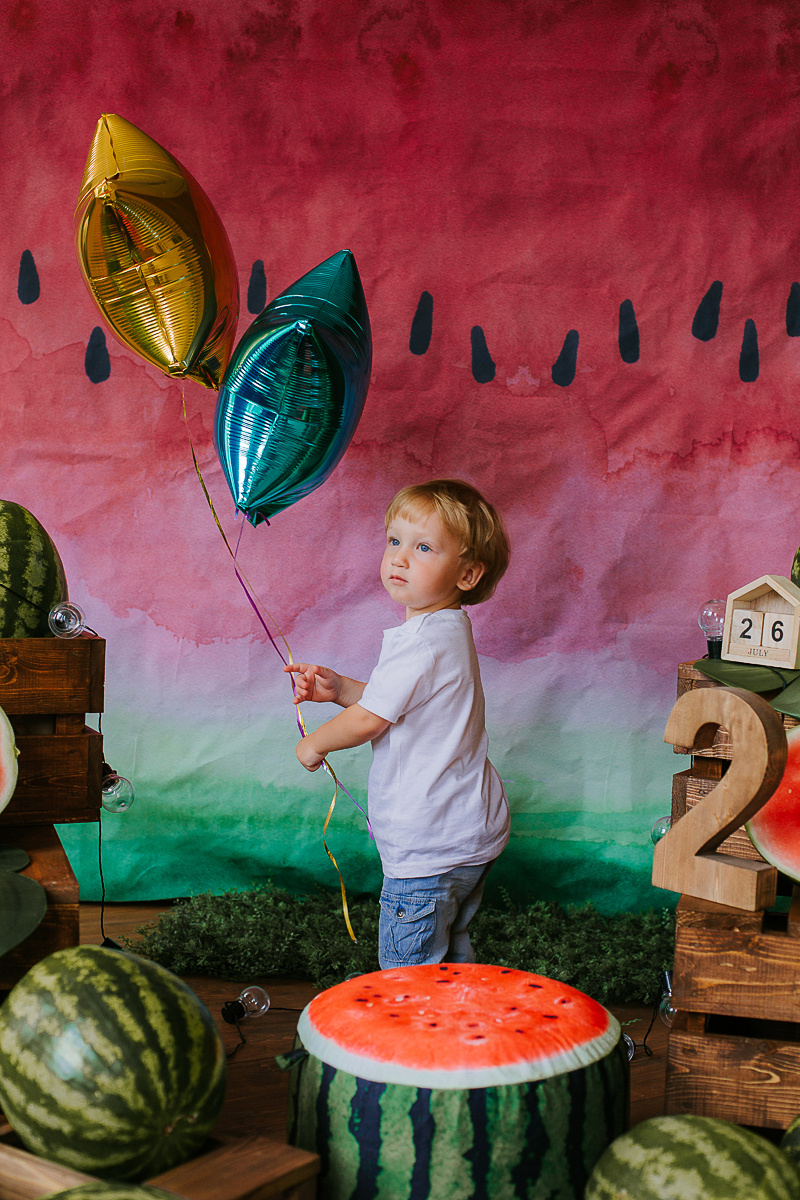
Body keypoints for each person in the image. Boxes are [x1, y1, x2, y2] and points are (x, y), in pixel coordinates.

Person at [285, 478, 511, 969]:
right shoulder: (444, 630)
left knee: (407, 973)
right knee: (450, 950)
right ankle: (461, 1031)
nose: (400, 558)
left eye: (423, 547)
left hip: (429, 843)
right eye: (394, 541)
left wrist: (315, 745)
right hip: (467, 832)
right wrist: (341, 689)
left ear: (468, 574)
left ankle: (418, 1038)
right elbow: (400, 708)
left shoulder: (421, 643)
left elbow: (371, 721)